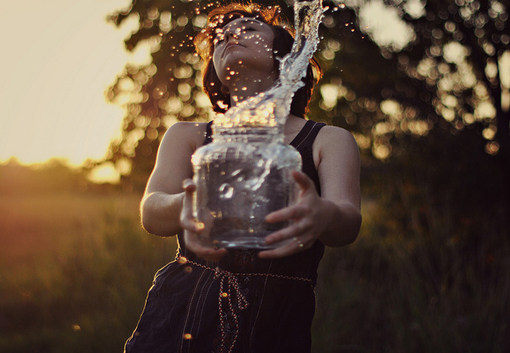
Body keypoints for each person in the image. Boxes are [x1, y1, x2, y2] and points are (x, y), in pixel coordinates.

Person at [125, 3, 361, 353]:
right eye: (220, 37)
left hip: (277, 318)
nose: (230, 35)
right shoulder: (188, 136)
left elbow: (348, 222)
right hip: (182, 311)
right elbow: (151, 210)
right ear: (214, 71)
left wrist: (322, 214)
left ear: (285, 56)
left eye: (250, 29)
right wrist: (184, 205)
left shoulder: (328, 139)